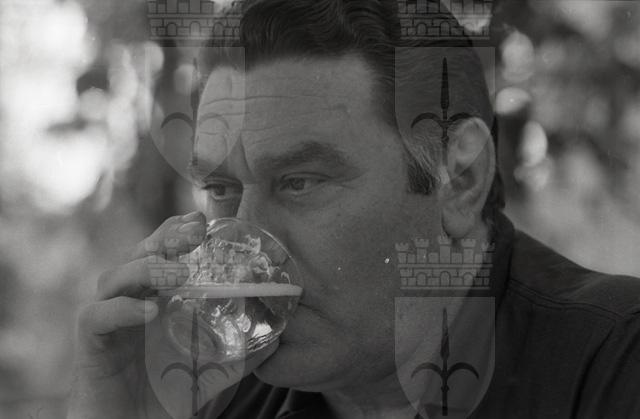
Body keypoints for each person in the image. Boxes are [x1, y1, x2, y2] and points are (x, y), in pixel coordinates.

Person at [67, 1, 640, 418]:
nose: (246, 243)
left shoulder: (613, 364)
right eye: (221, 189)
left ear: (460, 180)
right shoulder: (217, 398)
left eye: (299, 181)